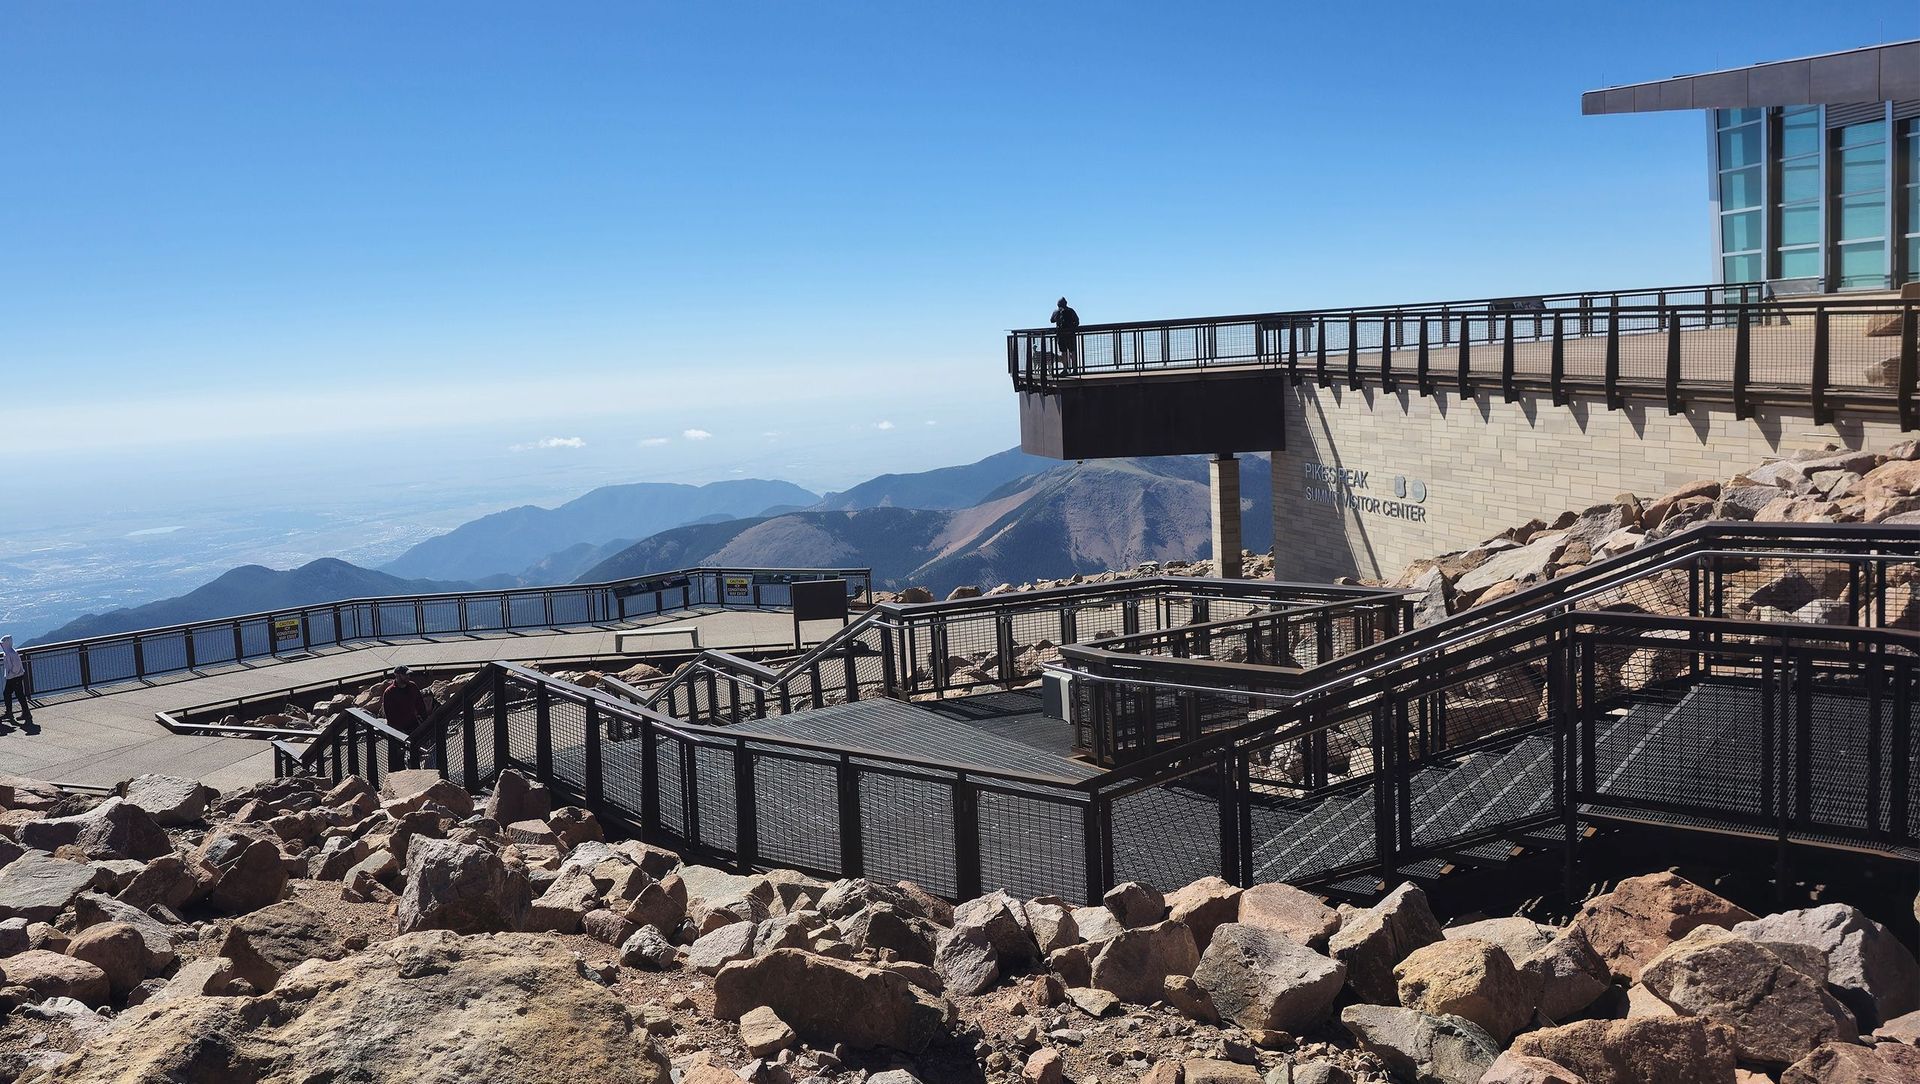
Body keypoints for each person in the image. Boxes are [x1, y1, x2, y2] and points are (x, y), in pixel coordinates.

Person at [382, 665, 429, 737]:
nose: (408, 676)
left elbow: (420, 705)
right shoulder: (390, 692)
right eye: (405, 675)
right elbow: (389, 715)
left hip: (413, 725)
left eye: (408, 674)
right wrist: (397, 731)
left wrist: (425, 721)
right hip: (398, 730)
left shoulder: (412, 686)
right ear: (397, 675)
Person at [1, 635, 30, 729]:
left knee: (7, 693)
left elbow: (16, 667)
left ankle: (10, 712)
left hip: (14, 677)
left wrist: (10, 674)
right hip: (16, 676)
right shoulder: (10, 652)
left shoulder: (11, 653)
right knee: (19, 694)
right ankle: (26, 713)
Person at [1049, 296, 1080, 375]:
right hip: (1070, 334)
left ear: (1058, 304)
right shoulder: (1071, 311)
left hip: (1061, 335)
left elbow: (1051, 320)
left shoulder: (1056, 311)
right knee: (1072, 352)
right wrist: (1072, 328)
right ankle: (1075, 369)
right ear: (1066, 303)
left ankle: (1065, 369)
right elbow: (1077, 321)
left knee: (1063, 352)